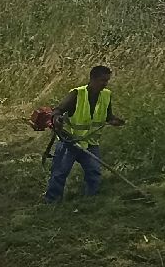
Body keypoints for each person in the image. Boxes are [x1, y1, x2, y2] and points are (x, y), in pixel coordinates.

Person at [44, 65, 124, 203]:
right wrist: (56, 119)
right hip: (69, 141)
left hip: (90, 143)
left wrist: (114, 121)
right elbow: (57, 110)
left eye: (107, 81)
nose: (105, 84)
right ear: (92, 79)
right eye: (102, 80)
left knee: (94, 172)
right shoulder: (77, 94)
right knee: (60, 173)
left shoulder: (106, 95)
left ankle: (90, 201)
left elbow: (107, 116)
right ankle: (52, 202)